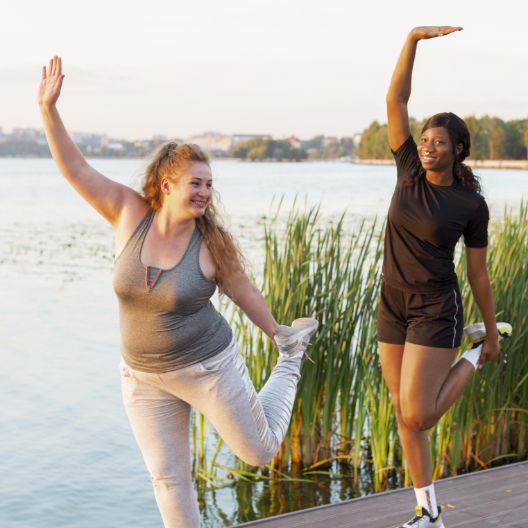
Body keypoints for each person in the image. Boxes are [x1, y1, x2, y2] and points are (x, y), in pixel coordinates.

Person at [38, 56, 318, 528]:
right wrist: (48, 110)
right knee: (167, 479)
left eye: (210, 185)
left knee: (259, 451)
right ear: (166, 184)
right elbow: (75, 169)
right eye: (196, 183)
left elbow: (244, 290)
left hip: (208, 368)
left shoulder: (210, 243)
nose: (206, 193)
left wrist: (278, 334)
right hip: (143, 377)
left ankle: (291, 359)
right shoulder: (128, 213)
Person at [378, 27, 502, 528]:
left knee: (420, 415)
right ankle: (428, 514)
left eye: (438, 142)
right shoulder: (406, 169)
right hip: (392, 302)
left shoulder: (471, 204)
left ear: (458, 150)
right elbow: (396, 97)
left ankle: (470, 353)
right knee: (403, 414)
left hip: (435, 309)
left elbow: (477, 274)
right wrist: (412, 40)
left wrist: (490, 333)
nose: (427, 146)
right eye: (425, 139)